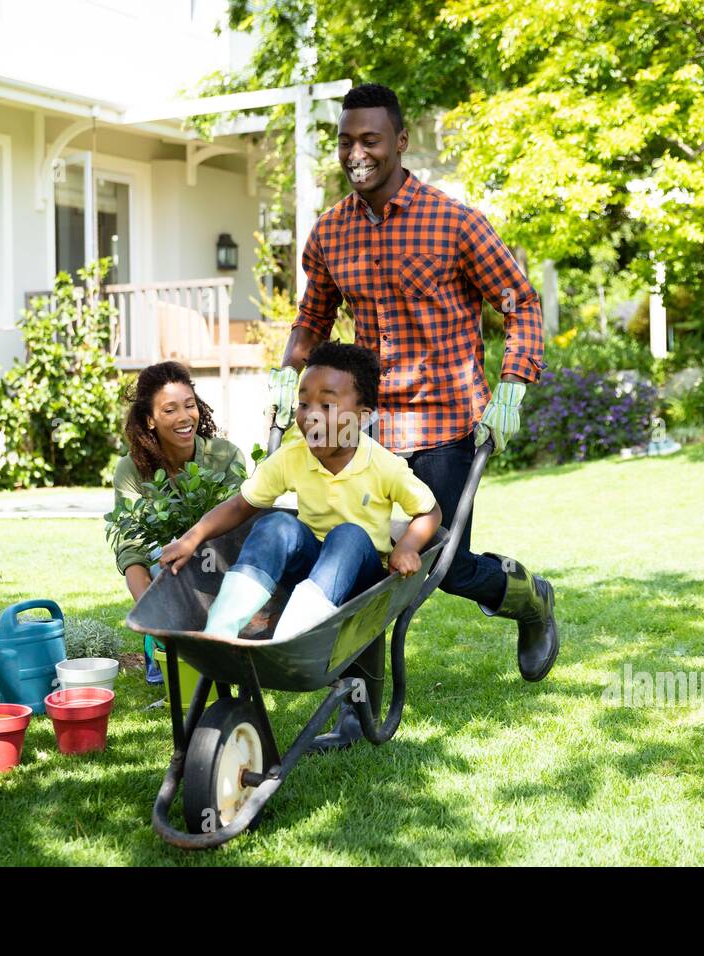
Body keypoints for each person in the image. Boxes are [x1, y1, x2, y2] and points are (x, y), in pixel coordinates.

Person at [266, 82, 560, 692]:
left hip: (449, 423)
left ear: (401, 141)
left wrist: (511, 387)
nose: (356, 154)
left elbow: (521, 304)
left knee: (441, 566)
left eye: (369, 139)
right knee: (364, 561)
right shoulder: (328, 235)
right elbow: (313, 319)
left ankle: (530, 600)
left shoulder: (455, 223)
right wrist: (284, 371)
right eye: (345, 141)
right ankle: (358, 701)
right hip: (368, 429)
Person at [158, 342, 442, 715]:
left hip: (363, 576)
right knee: (276, 522)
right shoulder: (293, 458)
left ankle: (294, 636)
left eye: (327, 405)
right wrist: (192, 537)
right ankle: (222, 626)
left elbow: (429, 512)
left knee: (349, 534)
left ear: (363, 416)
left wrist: (407, 545)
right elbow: (242, 505)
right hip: (312, 572)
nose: (311, 416)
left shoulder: (383, 465)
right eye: (304, 404)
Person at [113, 361, 246, 682]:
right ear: (149, 420)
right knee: (162, 554)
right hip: (165, 575)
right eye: (170, 410)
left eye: (190, 405)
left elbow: (240, 530)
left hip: (221, 567)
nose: (185, 417)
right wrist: (151, 614)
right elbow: (131, 547)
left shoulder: (226, 457)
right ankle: (158, 648)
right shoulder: (131, 469)